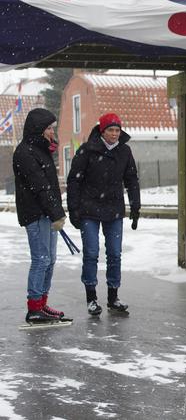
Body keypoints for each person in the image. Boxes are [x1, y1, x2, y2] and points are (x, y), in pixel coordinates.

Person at [67, 113, 140, 316]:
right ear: (102, 131)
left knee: (115, 254)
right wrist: (73, 209)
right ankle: (91, 298)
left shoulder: (125, 152)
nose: (115, 134)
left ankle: (113, 297)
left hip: (114, 210)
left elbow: (132, 180)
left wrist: (135, 207)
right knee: (91, 253)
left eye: (117, 130)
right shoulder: (87, 150)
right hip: (89, 209)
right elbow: (74, 180)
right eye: (111, 130)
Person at [13, 108, 68, 323]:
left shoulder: (41, 150)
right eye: (49, 128)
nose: (52, 132)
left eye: (53, 128)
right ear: (38, 129)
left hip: (47, 212)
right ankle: (34, 306)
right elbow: (40, 187)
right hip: (35, 214)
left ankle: (42, 304)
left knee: (50, 259)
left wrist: (55, 213)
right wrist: (55, 214)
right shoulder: (25, 152)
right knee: (41, 259)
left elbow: (50, 187)